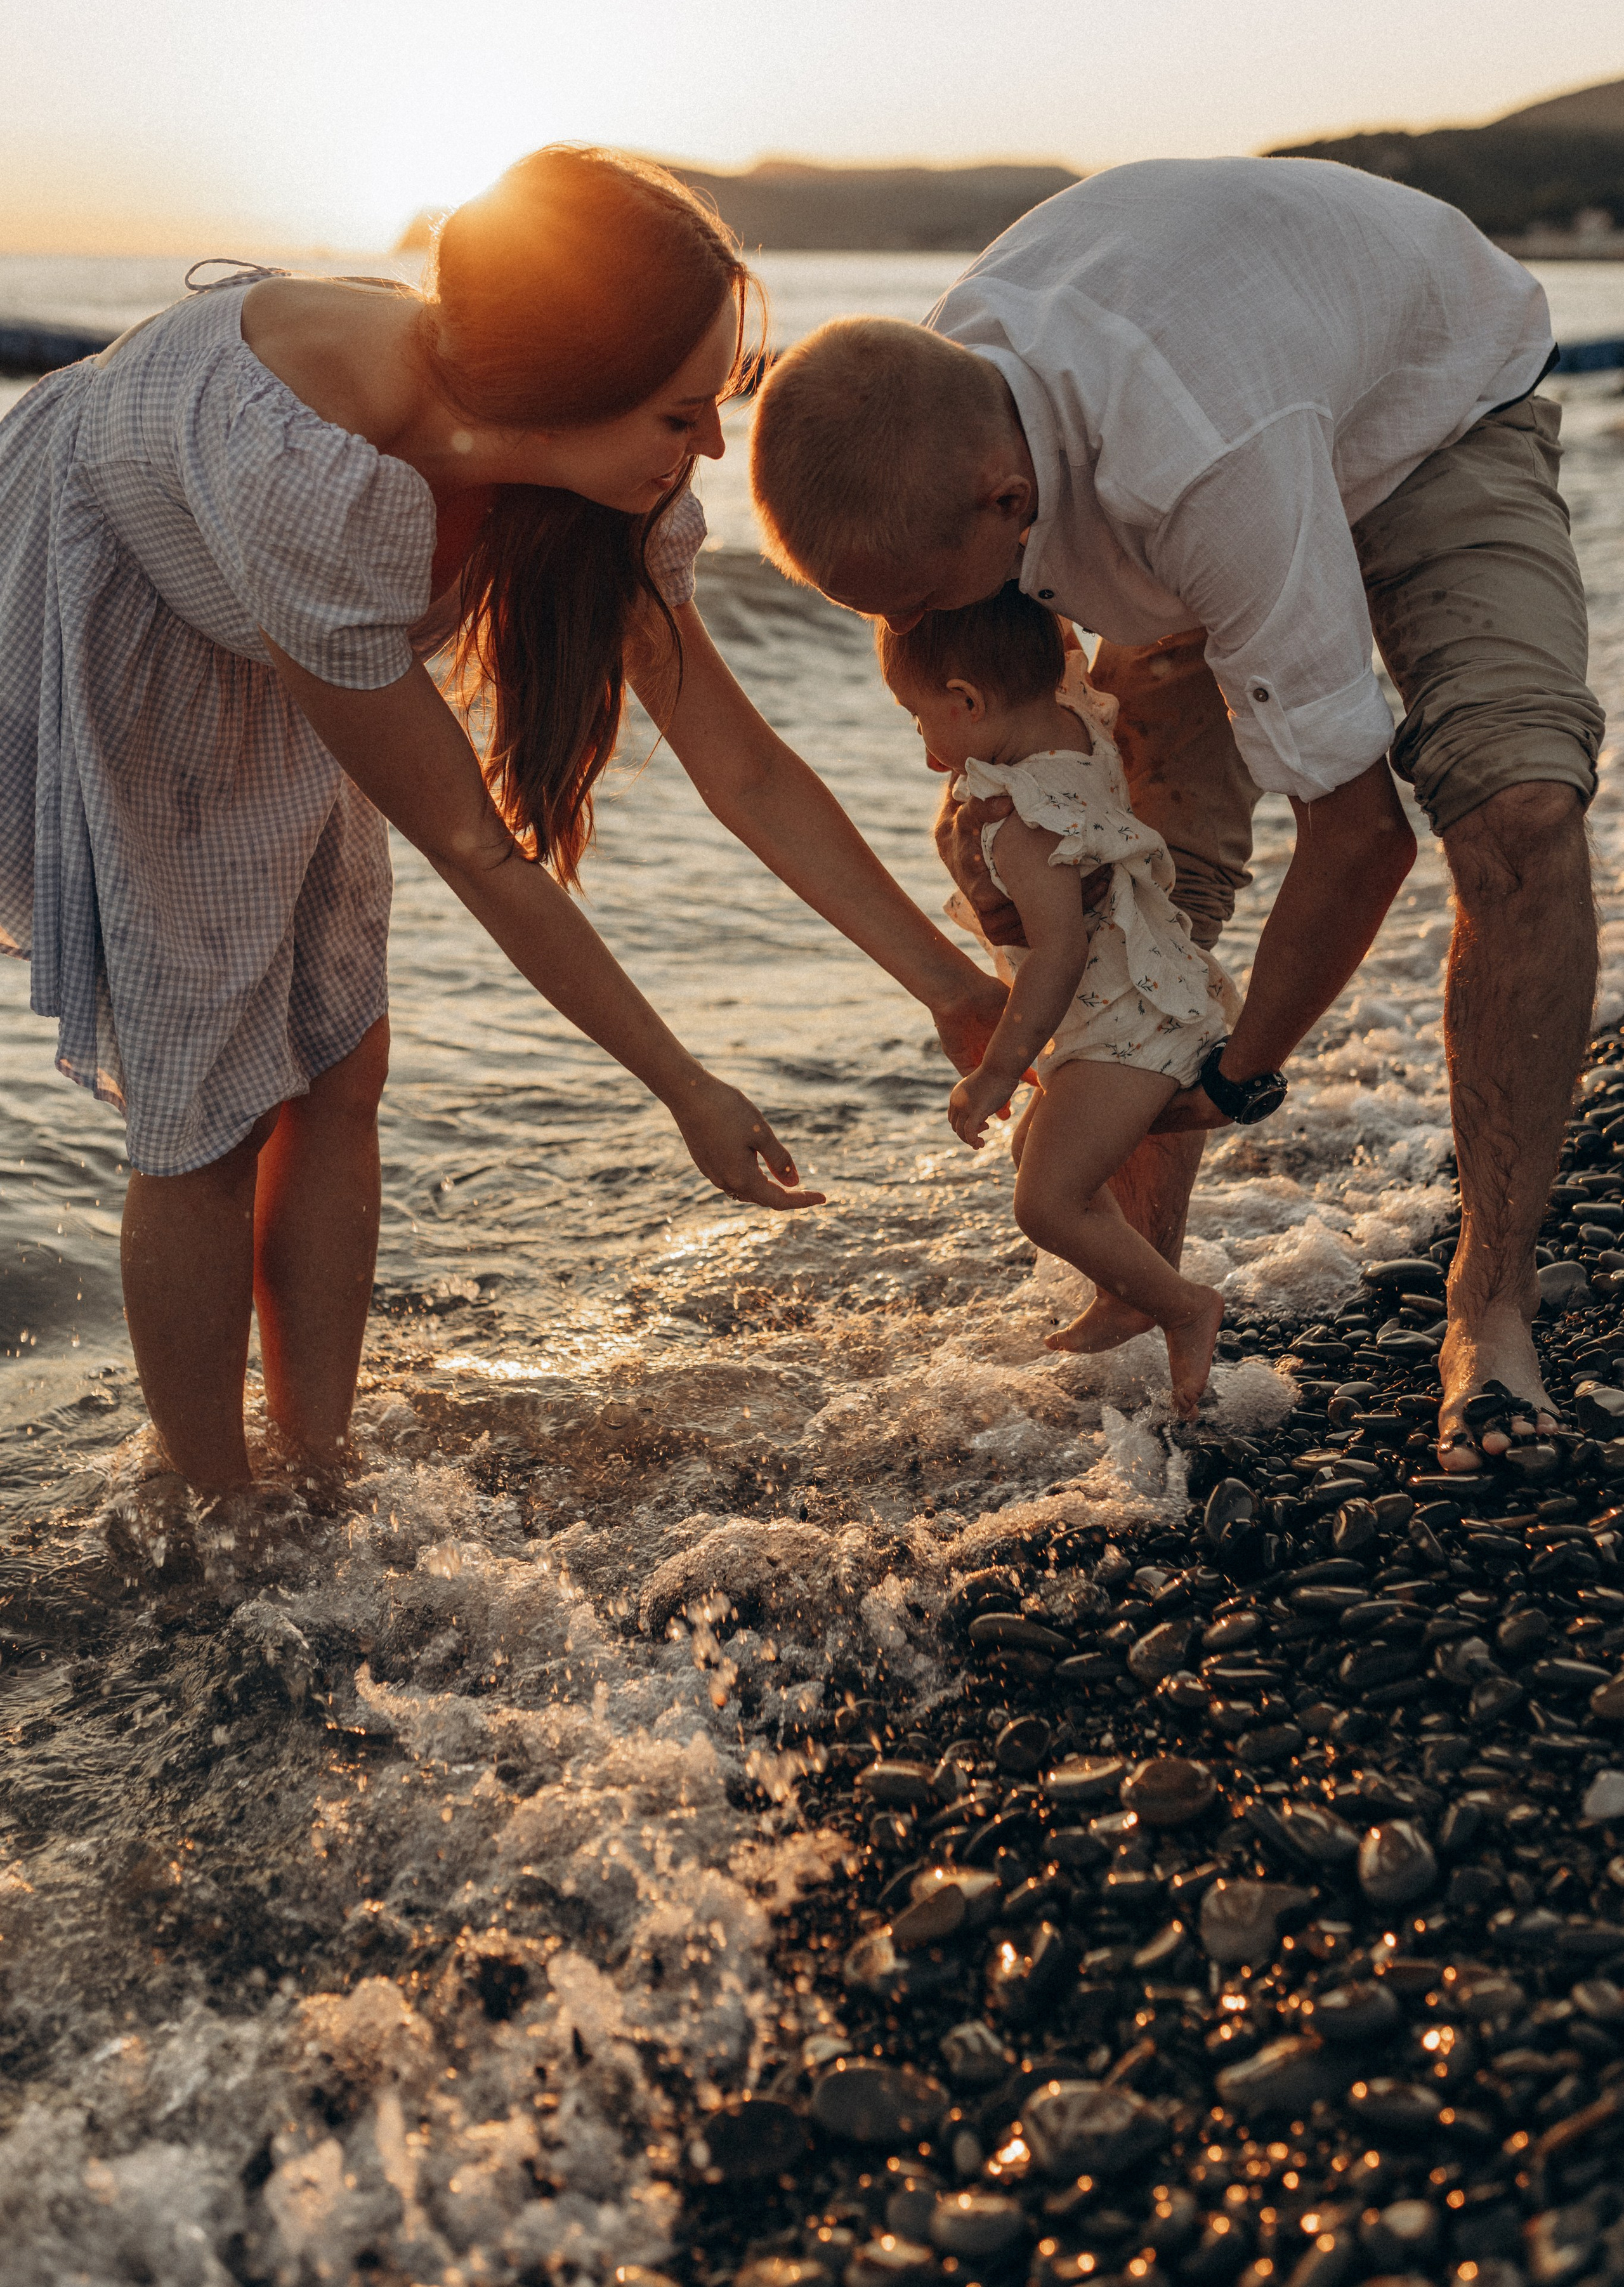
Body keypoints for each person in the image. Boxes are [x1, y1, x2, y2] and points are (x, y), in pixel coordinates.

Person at [0, 145, 1006, 1497]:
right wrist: (686, 1088)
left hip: (282, 619)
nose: (711, 449)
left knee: (342, 1060)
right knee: (210, 1110)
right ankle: (217, 1515)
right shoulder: (306, 471)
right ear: (558, 391)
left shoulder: (573, 474)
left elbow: (743, 767)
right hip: (129, 610)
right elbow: (475, 848)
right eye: (680, 414)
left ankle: (319, 1461)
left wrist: (953, 988)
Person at [750, 155, 1602, 1471]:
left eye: (913, 604)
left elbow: (1358, 834)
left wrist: (1236, 1075)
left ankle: (1490, 1306)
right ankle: (1138, 1285)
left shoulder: (1197, 466)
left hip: (1427, 406)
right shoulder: (933, 397)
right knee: (1126, 861)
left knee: (1517, 809)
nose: (909, 635)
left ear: (1006, 503)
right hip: (1226, 420)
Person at [879, 584, 1231, 1414]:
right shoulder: (1075, 713)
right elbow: (1055, 646)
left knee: (1044, 1203)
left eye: (918, 719)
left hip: (1125, 1025)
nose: (925, 748)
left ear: (967, 701)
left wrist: (997, 1072)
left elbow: (1058, 954)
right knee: (1035, 1151)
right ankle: (1125, 1293)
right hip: (1138, 995)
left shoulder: (1025, 824)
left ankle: (1184, 1307)